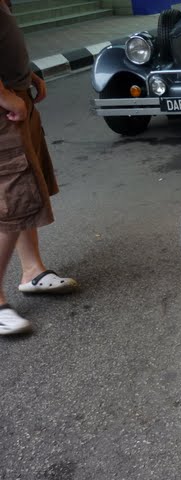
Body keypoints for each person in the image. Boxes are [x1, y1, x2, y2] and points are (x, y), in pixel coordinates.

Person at [0, 0, 78, 335]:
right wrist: (6, 97)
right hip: (6, 106)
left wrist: (26, 75)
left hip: (15, 95)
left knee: (26, 189)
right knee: (14, 198)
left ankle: (32, 270)